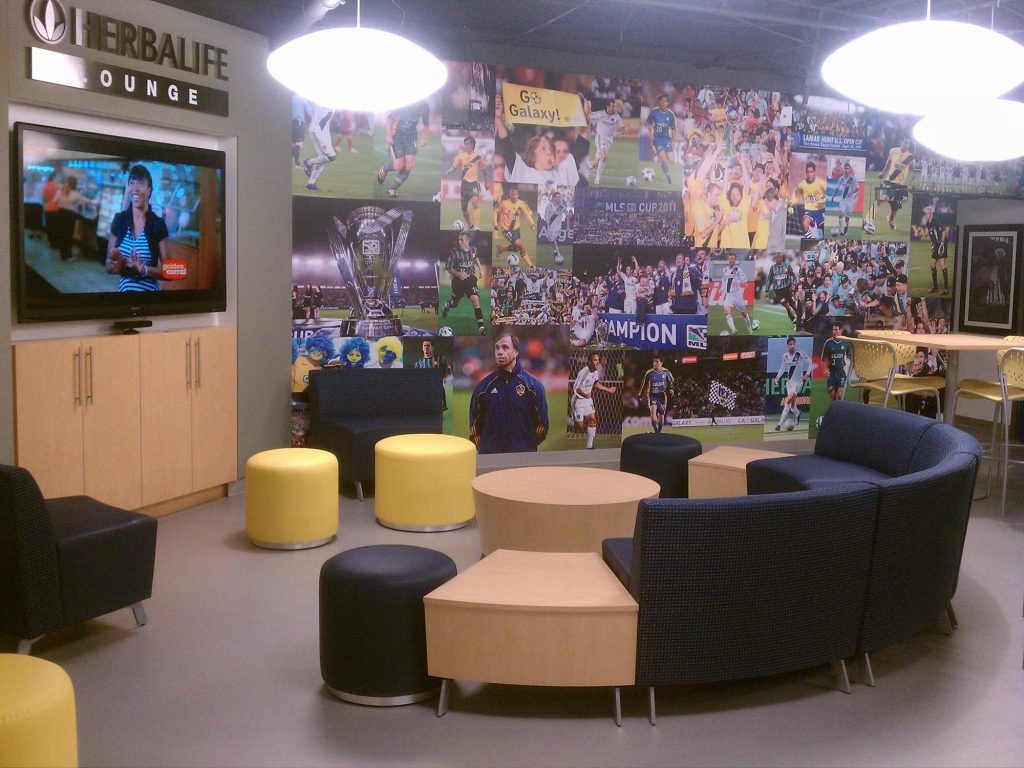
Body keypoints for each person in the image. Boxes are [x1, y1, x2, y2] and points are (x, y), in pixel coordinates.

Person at [469, 330, 548, 454]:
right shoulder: (483, 387)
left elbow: (542, 425)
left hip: (522, 457)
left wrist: (527, 445)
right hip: (491, 457)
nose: (499, 352)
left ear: (516, 352)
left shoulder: (533, 386)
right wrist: (487, 447)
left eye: (505, 347)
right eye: (497, 348)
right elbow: (474, 425)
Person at [494, 90, 589, 187]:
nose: (549, 152)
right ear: (532, 156)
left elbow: (580, 148)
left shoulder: (562, 174)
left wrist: (587, 118)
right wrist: (498, 119)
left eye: (551, 149)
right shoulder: (525, 173)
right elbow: (507, 149)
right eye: (543, 148)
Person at [105, 164, 168, 291]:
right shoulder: (119, 220)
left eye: (140, 183)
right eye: (132, 183)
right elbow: (108, 265)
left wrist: (144, 269)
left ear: (149, 190)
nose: (135, 188)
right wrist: (118, 265)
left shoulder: (158, 224)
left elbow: (171, 271)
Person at [377, 99, 430, 198]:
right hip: (398, 135)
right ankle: (385, 168)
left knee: (409, 165)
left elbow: (426, 123)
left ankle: (392, 189)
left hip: (411, 137)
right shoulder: (404, 100)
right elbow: (390, 118)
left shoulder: (424, 105)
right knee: (399, 165)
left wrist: (423, 138)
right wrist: (388, 135)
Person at [441, 231, 487, 335]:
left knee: (475, 300)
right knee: (454, 304)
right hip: (458, 281)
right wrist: (458, 274)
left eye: (462, 240)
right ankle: (447, 305)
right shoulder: (454, 252)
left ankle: (481, 327)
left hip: (470, 279)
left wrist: (480, 269)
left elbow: (476, 257)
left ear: (468, 240)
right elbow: (448, 267)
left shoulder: (473, 249)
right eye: (459, 240)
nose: (459, 242)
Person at [571, 352, 618, 449]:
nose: (597, 362)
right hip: (578, 400)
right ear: (589, 362)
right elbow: (577, 389)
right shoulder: (584, 373)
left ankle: (589, 447)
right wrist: (585, 395)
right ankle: (570, 420)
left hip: (588, 400)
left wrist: (608, 389)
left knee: (592, 420)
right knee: (580, 427)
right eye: (595, 360)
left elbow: (595, 383)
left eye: (598, 360)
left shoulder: (595, 372)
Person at [445, 135, 486, 230]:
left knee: (475, 202)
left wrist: (486, 182)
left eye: (468, 144)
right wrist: (449, 171)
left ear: (472, 145)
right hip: (464, 185)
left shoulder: (478, 156)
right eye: (465, 144)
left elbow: (484, 169)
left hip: (474, 183)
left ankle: (476, 227)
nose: (466, 145)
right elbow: (454, 167)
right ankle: (470, 225)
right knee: (464, 208)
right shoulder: (461, 156)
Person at [494, 185, 536, 267]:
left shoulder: (522, 203)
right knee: (521, 246)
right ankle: (530, 265)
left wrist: (532, 223)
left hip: (516, 230)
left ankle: (502, 248)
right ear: (509, 195)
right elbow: (495, 211)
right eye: (512, 194)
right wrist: (495, 224)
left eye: (515, 194)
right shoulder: (504, 203)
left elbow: (528, 214)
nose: (514, 196)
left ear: (518, 195)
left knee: (517, 248)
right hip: (507, 230)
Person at [719, 251, 759, 334]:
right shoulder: (725, 270)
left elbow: (745, 281)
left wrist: (737, 282)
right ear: (728, 260)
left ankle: (750, 329)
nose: (731, 261)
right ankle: (734, 330)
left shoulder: (738, 269)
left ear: (735, 260)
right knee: (726, 311)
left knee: (744, 314)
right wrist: (721, 289)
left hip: (737, 295)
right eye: (730, 259)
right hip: (728, 295)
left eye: (732, 259)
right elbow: (724, 280)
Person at [774, 335, 809, 430]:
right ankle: (798, 413)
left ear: (795, 344)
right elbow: (782, 368)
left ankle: (779, 425)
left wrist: (807, 374)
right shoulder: (785, 356)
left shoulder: (800, 354)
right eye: (790, 344)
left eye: (793, 344)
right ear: (787, 345)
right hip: (789, 383)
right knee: (792, 407)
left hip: (798, 383)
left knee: (787, 403)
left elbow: (810, 363)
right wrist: (777, 377)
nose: (792, 345)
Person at [302, 101, 336, 192]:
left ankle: (311, 183)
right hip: (318, 131)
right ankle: (309, 162)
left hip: (320, 130)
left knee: (323, 158)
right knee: (331, 156)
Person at [589, 99, 624, 185]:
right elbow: (588, 116)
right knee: (604, 156)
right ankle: (597, 179)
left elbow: (623, 127)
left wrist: (620, 132)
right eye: (613, 106)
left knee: (596, 162)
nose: (614, 108)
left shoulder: (616, 116)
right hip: (600, 138)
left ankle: (586, 166)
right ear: (608, 107)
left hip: (609, 141)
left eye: (615, 106)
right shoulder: (600, 114)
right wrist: (587, 108)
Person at [638, 354, 675, 433]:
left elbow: (671, 380)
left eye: (657, 362)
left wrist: (671, 388)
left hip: (662, 395)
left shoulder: (666, 372)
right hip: (652, 395)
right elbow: (643, 384)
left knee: (661, 415)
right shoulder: (649, 373)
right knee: (653, 410)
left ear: (661, 363)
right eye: (654, 362)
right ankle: (657, 433)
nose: (655, 363)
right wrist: (640, 394)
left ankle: (658, 433)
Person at [790, 160, 826, 239]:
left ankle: (823, 241)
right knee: (805, 223)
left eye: (811, 172)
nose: (809, 174)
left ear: (814, 172)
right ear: (806, 173)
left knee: (824, 228)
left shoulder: (821, 183)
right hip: (810, 210)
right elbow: (795, 194)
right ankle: (811, 240)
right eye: (808, 172)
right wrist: (791, 205)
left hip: (821, 209)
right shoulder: (802, 184)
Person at [646, 93, 676, 184]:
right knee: (663, 158)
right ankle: (668, 176)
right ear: (659, 101)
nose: (663, 103)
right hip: (657, 139)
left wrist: (673, 140)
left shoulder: (670, 115)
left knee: (671, 160)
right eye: (661, 101)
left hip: (666, 139)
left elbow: (673, 129)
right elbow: (649, 123)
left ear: (668, 103)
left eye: (665, 101)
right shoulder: (654, 112)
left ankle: (663, 166)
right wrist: (651, 133)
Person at [821, 321, 852, 401]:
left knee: (840, 395)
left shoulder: (846, 342)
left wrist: (850, 369)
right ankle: (836, 408)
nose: (834, 331)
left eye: (836, 330)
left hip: (841, 372)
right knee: (832, 395)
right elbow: (823, 358)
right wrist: (825, 370)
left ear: (840, 330)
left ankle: (845, 407)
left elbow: (850, 357)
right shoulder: (828, 343)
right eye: (833, 330)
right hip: (831, 372)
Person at [922, 205, 949, 294]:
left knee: (942, 264)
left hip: (941, 244)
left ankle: (946, 289)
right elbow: (933, 234)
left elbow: (943, 231)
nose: (926, 215)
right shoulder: (928, 223)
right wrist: (933, 243)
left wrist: (942, 243)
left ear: (931, 214)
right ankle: (936, 288)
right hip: (936, 245)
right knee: (932, 265)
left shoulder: (935, 221)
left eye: (927, 213)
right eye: (925, 213)